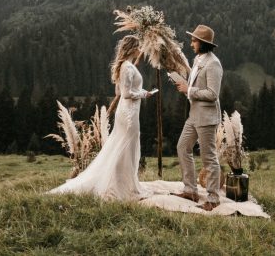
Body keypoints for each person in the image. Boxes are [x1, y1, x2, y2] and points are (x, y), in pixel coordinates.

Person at [49, 34, 156, 200]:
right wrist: (145, 93)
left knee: (122, 146)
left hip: (126, 111)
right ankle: (123, 186)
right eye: (138, 47)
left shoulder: (124, 66)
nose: (140, 50)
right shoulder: (127, 67)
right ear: (132, 48)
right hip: (129, 113)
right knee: (127, 147)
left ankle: (122, 182)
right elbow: (126, 94)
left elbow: (118, 92)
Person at [172, 24, 223, 211]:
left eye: (194, 40)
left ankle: (213, 198)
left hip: (207, 117)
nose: (191, 43)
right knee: (182, 147)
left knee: (208, 158)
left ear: (202, 43)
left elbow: (213, 94)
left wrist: (189, 90)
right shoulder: (198, 59)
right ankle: (191, 190)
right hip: (194, 115)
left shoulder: (213, 63)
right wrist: (185, 85)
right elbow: (196, 87)